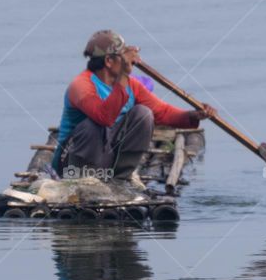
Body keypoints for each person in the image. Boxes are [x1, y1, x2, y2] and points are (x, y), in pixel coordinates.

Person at [52, 30, 216, 184]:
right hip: (72, 166)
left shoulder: (131, 85)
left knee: (144, 114)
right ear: (109, 61)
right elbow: (104, 117)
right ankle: (85, 183)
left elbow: (162, 112)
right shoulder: (81, 85)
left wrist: (194, 115)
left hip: (105, 161)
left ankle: (120, 179)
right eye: (123, 57)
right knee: (92, 125)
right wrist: (124, 75)